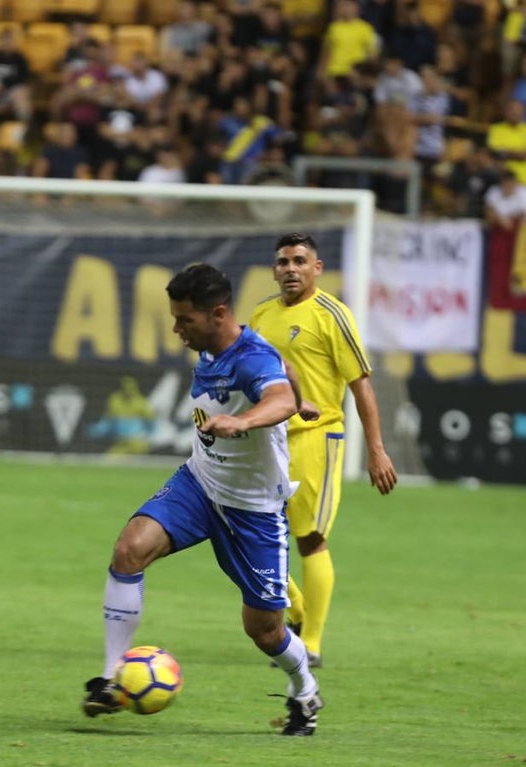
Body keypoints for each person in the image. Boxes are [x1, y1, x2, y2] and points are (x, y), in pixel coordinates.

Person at [81, 264, 326, 736]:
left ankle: (305, 690)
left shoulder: (250, 359)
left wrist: (250, 419)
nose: (176, 329)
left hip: (252, 509)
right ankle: (112, 679)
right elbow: (285, 373)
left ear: (217, 313)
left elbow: (275, 395)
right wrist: (300, 395)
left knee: (265, 631)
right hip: (199, 483)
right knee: (129, 548)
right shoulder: (222, 346)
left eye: (184, 320)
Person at [248, 234, 397, 668]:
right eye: (282, 262)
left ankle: (310, 642)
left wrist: (376, 450)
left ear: (317, 268)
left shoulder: (332, 314)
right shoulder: (261, 314)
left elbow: (360, 384)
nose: (290, 268)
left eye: (300, 260)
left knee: (310, 538)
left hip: (317, 437)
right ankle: (295, 613)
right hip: (268, 439)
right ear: (274, 270)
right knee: (250, 532)